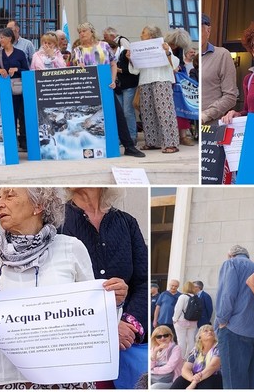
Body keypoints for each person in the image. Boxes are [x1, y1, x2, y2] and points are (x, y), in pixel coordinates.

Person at [0, 187, 128, 388]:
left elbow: (93, 317)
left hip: (66, 378)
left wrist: (113, 301)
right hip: (9, 379)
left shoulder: (71, 248)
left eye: (9, 195)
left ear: (38, 205)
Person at [62, 188, 148, 342]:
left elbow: (144, 281)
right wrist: (106, 325)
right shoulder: (56, 222)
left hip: (126, 343)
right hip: (78, 340)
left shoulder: (127, 223)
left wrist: (129, 324)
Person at [74, 22, 144, 158]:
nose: (81, 34)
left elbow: (113, 64)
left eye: (84, 31)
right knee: (90, 117)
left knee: (118, 115)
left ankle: (129, 146)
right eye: (80, 32)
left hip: (106, 87)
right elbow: (77, 68)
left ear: (91, 32)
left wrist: (112, 80)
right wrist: (79, 65)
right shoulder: (78, 50)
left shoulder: (104, 45)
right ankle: (91, 149)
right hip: (89, 88)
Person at [215, 245, 254, 389]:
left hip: (234, 328)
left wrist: (221, 320)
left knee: (234, 381)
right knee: (251, 381)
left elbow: (227, 295)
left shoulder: (231, 263)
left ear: (230, 254)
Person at [127, 25, 180, 153]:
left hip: (161, 79)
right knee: (147, 112)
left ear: (151, 35)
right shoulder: (139, 48)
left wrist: (167, 52)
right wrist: (131, 58)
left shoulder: (163, 45)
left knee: (165, 111)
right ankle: (152, 142)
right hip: (145, 80)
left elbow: (174, 64)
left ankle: (171, 143)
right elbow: (135, 70)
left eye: (143, 32)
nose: (141, 35)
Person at [0, 28, 30, 152]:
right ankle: (8, 143)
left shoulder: (20, 53)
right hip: (2, 91)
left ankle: (21, 141)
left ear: (9, 38)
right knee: (5, 117)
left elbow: (27, 71)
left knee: (18, 115)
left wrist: (17, 69)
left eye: (2, 37)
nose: (0, 40)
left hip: (17, 91)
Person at [200, 13, 238, 125]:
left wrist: (206, 115)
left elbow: (230, 96)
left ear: (208, 31)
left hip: (210, 126)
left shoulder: (222, 55)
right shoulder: (184, 57)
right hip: (187, 122)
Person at [164, 28, 195, 146]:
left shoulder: (179, 47)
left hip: (176, 80)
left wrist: (178, 68)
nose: (175, 46)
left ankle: (183, 136)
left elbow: (180, 62)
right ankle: (171, 135)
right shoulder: (163, 45)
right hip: (165, 78)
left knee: (181, 106)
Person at [169, 325, 223, 389]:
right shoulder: (196, 350)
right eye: (206, 331)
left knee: (208, 382)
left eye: (212, 331)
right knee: (180, 381)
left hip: (213, 377)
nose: (210, 332)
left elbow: (213, 366)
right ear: (200, 337)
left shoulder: (218, 347)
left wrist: (194, 382)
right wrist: (192, 378)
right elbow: (185, 368)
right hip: (195, 378)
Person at [173, 281, 199, 357]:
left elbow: (178, 309)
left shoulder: (182, 297)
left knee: (181, 341)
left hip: (181, 321)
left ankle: (181, 358)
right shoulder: (196, 297)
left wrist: (174, 320)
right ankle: (189, 357)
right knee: (191, 341)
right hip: (193, 322)